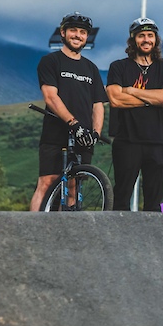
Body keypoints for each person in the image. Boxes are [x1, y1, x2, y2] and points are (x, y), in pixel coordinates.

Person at [30, 13, 108, 211]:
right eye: (73, 30)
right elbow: (50, 97)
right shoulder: (51, 61)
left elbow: (98, 104)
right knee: (47, 182)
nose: (78, 35)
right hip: (56, 132)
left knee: (73, 187)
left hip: (84, 137)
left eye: (83, 32)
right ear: (63, 33)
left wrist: (95, 133)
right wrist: (74, 124)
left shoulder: (91, 68)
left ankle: (66, 237)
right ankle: (32, 232)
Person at [105, 18, 163, 211]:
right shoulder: (118, 67)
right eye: (141, 36)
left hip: (157, 141)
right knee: (121, 197)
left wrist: (132, 91)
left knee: (153, 202)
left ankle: (151, 240)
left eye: (150, 35)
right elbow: (115, 99)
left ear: (155, 39)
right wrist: (151, 100)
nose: (146, 39)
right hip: (126, 140)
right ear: (133, 40)